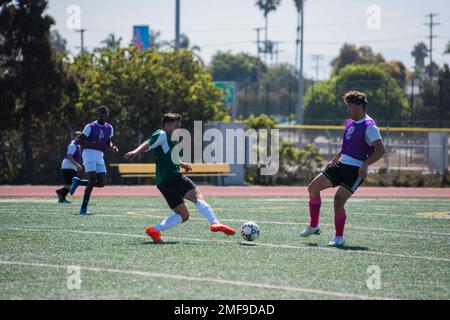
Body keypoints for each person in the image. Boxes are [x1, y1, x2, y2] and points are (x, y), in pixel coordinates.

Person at [124, 113, 236, 243]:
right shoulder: (161, 134)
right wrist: (135, 151)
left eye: (179, 124)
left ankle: (154, 229)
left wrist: (181, 163)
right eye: (175, 124)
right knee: (197, 196)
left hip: (163, 182)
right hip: (172, 177)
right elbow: (148, 143)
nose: (178, 126)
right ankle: (215, 222)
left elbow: (171, 156)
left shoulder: (170, 138)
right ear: (167, 124)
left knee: (184, 215)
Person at [300, 91, 386, 246]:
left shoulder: (370, 127)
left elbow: (380, 150)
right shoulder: (349, 122)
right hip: (341, 165)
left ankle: (339, 237)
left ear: (360, 107)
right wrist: (333, 161)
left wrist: (365, 164)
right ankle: (314, 226)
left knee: (338, 201)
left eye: (351, 107)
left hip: (355, 170)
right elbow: (346, 146)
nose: (348, 110)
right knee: (313, 188)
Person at [70, 106, 119, 215]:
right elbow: (78, 141)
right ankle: (83, 209)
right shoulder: (90, 126)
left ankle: (78, 182)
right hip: (89, 153)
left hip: (99, 155)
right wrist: (91, 144)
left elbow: (108, 142)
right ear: (97, 114)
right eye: (101, 113)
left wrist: (112, 147)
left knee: (101, 183)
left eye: (105, 113)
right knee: (92, 180)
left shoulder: (109, 128)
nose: (103, 115)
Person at [56, 131, 84, 203]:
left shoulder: (77, 145)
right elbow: (69, 156)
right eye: (79, 137)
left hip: (70, 167)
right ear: (76, 137)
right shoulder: (73, 145)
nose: (82, 138)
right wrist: (77, 165)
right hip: (68, 166)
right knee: (73, 183)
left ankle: (61, 194)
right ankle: (61, 194)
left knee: (71, 184)